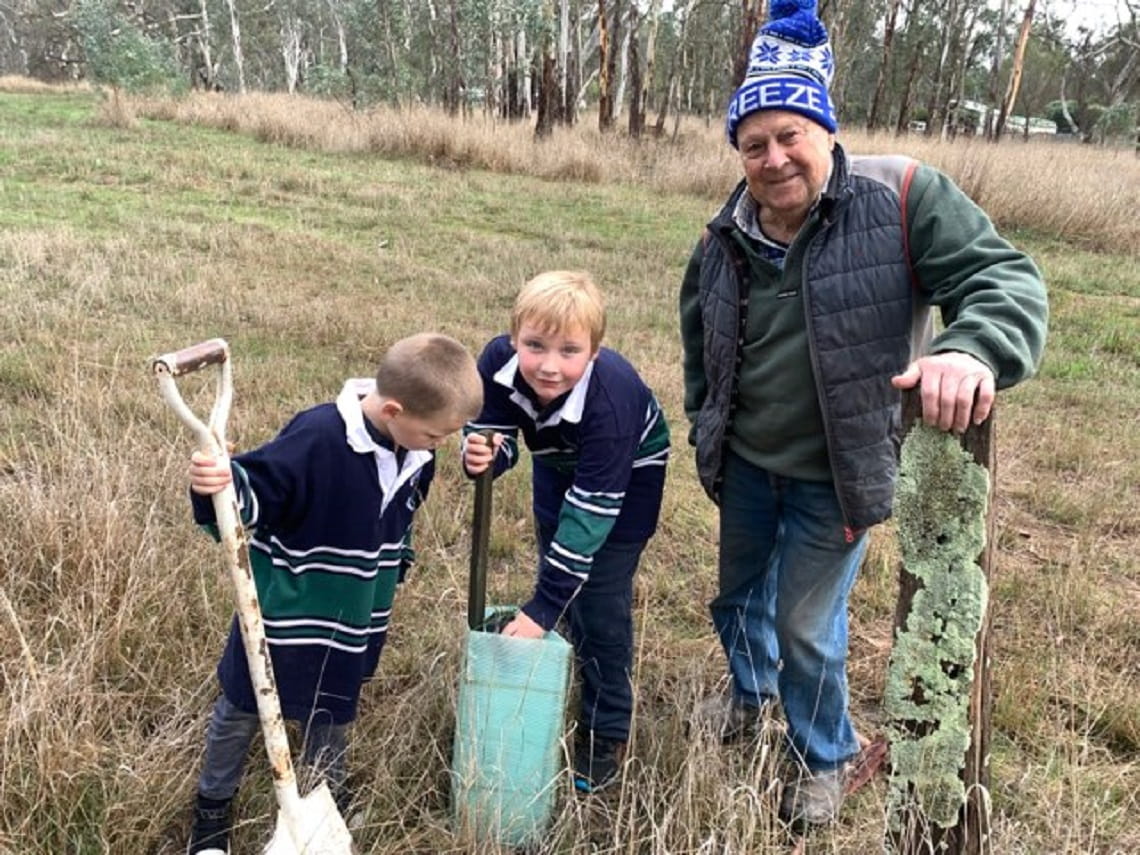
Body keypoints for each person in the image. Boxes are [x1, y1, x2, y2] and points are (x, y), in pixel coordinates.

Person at [679, 0, 1048, 828]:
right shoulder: (722, 235)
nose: (773, 160)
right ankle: (750, 696)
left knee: (807, 623)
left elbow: (1007, 280)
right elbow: (701, 343)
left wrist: (971, 350)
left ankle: (827, 754)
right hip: (745, 464)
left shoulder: (903, 195)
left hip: (836, 474)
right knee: (737, 601)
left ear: (825, 130)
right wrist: (707, 422)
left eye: (790, 136)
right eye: (753, 144)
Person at [184, 333, 483, 854]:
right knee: (242, 708)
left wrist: (399, 563)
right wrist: (215, 484)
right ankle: (212, 810)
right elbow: (251, 495)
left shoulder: (415, 451)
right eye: (435, 435)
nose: (439, 445)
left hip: (354, 616)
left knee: (334, 708)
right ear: (393, 409)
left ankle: (324, 800)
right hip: (284, 613)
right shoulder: (319, 437)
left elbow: (400, 515)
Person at [462, 271, 671, 793]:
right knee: (555, 559)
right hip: (556, 460)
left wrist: (541, 608)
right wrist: (484, 454)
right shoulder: (496, 364)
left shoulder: (612, 400)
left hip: (627, 474)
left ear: (594, 353)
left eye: (569, 351)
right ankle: (565, 671)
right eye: (535, 345)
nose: (549, 366)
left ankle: (607, 730)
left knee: (599, 598)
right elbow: (497, 434)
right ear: (514, 340)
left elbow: (591, 516)